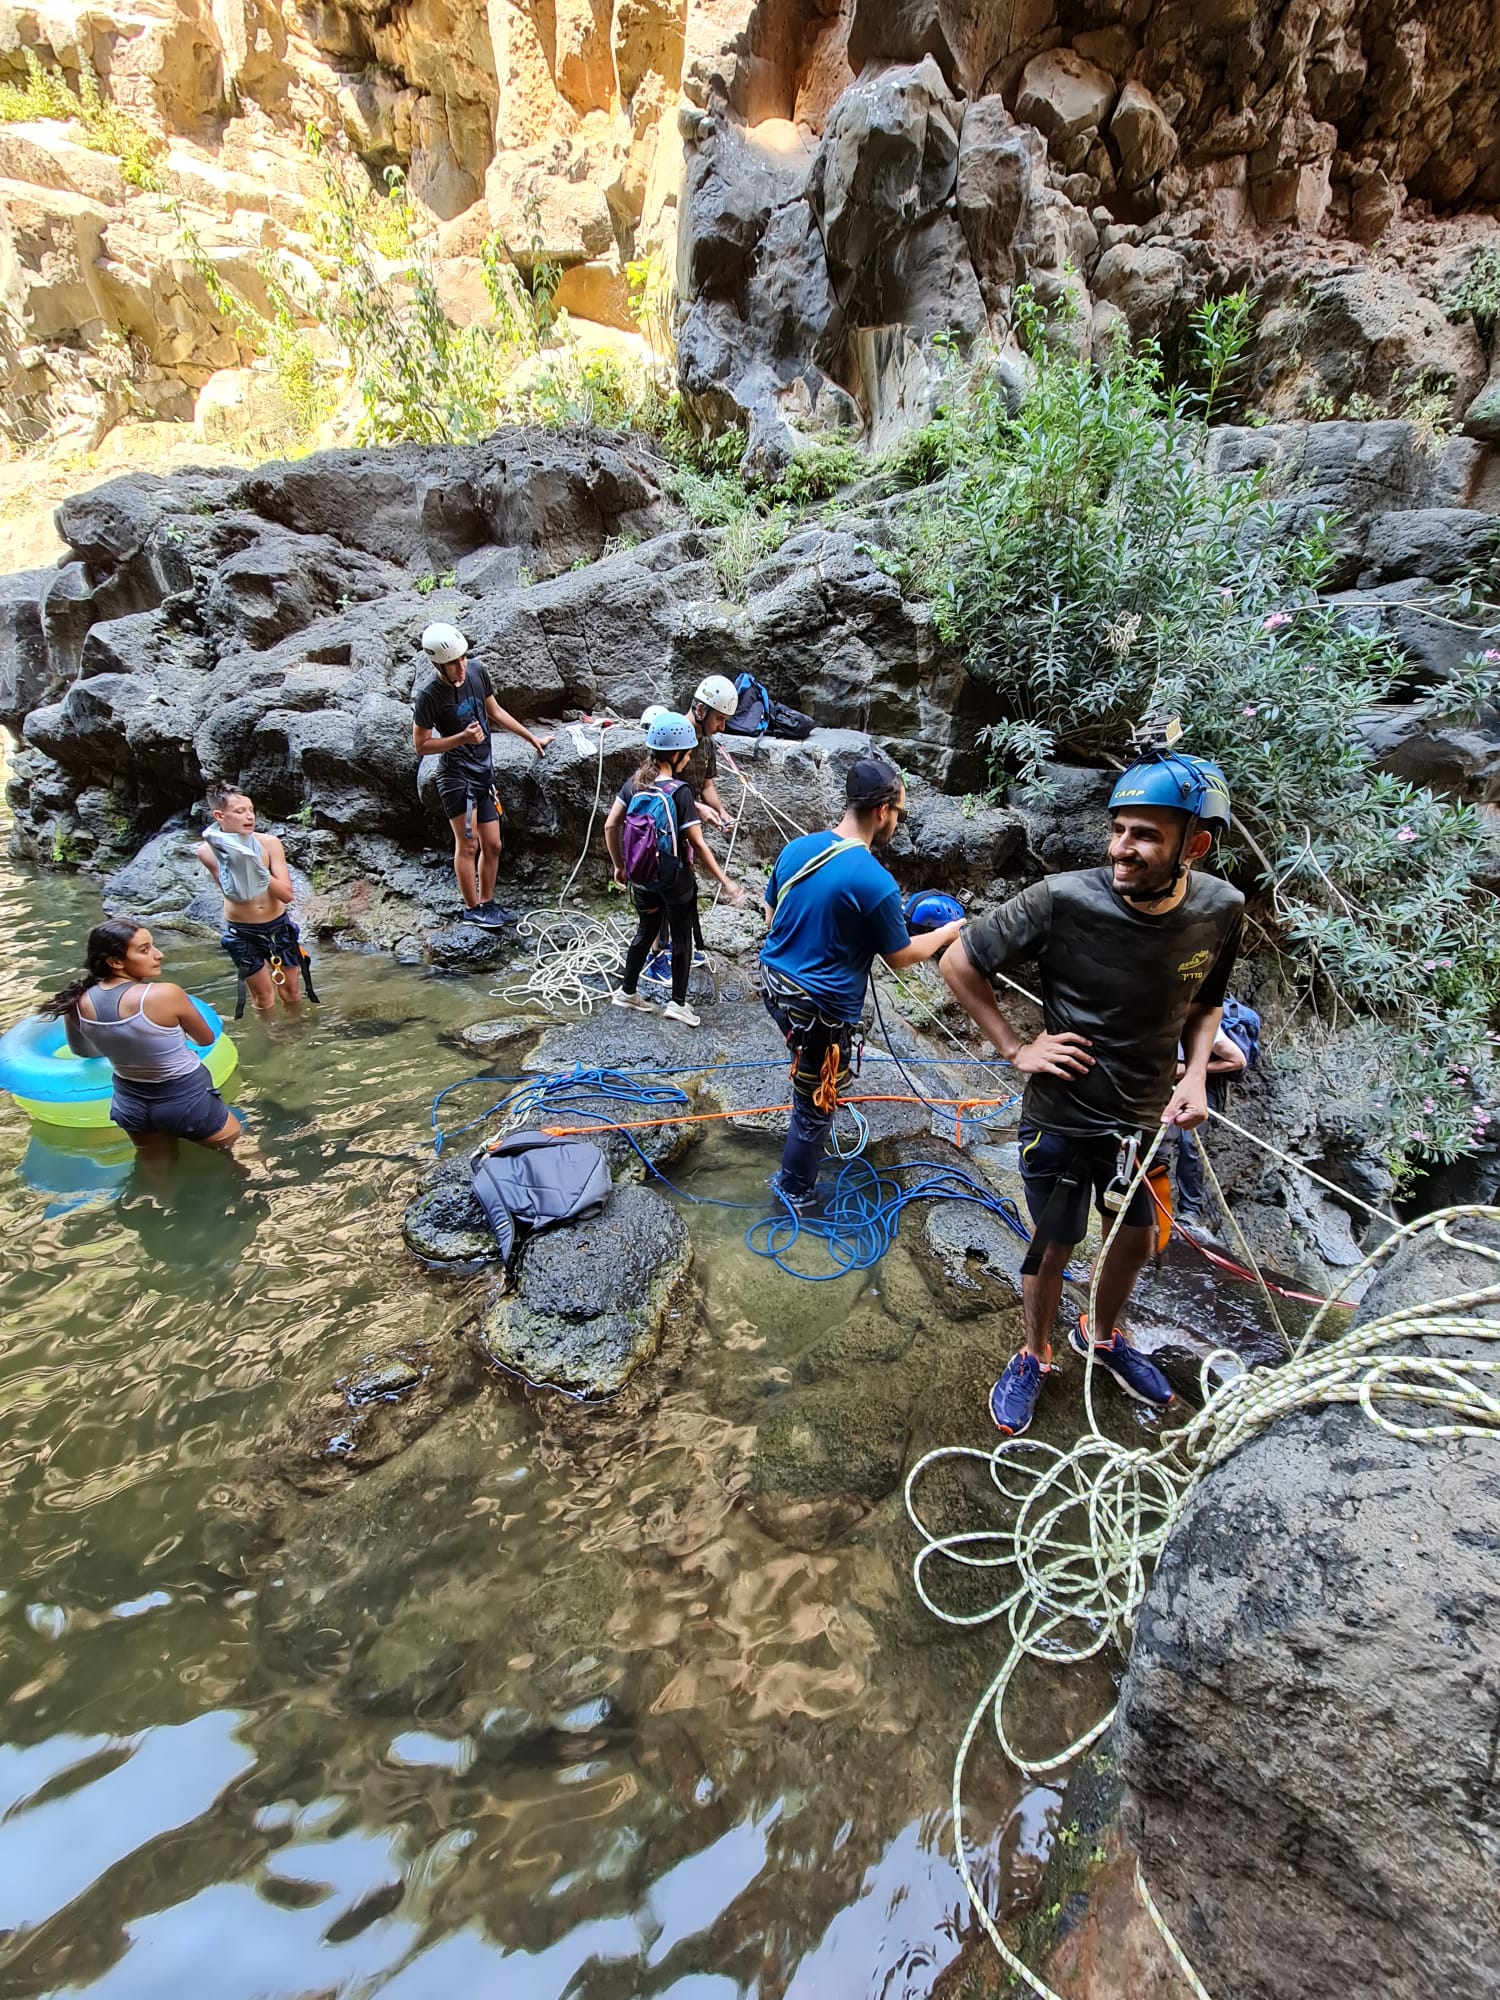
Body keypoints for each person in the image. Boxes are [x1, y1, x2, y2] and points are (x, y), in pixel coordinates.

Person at [941, 751, 1244, 1435]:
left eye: (1144, 835)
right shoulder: (1063, 898)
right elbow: (958, 961)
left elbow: (1205, 1005)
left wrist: (1195, 1074)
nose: (1121, 849)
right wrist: (1017, 1048)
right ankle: (1034, 1353)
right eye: (1118, 829)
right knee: (1053, 1244)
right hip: (1064, 1111)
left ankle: (1101, 1336)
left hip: (1142, 1116)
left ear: (1193, 846)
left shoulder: (1221, 909)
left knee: (1135, 1238)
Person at [759, 758, 963, 1213]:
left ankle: (802, 1126)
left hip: (775, 986)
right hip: (817, 1009)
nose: (897, 823)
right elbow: (901, 957)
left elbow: (771, 913)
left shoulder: (798, 848)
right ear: (883, 810)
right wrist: (947, 934)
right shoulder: (876, 881)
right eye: (900, 814)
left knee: (812, 1077)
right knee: (814, 1106)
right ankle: (793, 1197)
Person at [40, 918, 241, 1158]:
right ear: (115, 962)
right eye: (144, 950)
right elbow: (206, 1039)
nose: (159, 955)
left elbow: (85, 1051)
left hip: (131, 1104)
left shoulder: (76, 1002)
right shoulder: (164, 994)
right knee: (246, 1155)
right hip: (185, 1099)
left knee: (156, 1170)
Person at [611, 711, 747, 1026]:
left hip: (641, 876)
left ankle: (627, 991)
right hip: (675, 877)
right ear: (674, 754)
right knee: (681, 936)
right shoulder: (680, 792)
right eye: (686, 753)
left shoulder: (634, 783)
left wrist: (620, 867)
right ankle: (678, 1003)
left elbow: (610, 824)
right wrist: (726, 882)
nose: (688, 759)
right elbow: (697, 845)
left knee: (644, 931)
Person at [411, 621, 552, 927]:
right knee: (469, 843)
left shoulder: (476, 671)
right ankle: (473, 909)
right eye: (452, 664)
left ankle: (487, 902)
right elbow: (421, 745)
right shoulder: (430, 697)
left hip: (482, 774)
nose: (460, 668)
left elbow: (495, 711)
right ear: (438, 664)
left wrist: (532, 738)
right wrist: (460, 738)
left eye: (462, 659)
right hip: (455, 777)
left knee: (494, 844)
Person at [194, 787, 317, 1020]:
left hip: (277, 926)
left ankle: (298, 1034)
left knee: (290, 991)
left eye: (251, 810)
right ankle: (272, 1039)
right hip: (242, 931)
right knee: (263, 997)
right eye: (240, 811)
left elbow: (287, 895)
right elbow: (232, 892)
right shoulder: (207, 852)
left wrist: (257, 868)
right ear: (219, 816)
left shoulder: (269, 844)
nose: (249, 816)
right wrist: (238, 859)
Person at [1173, 1002, 1254, 1229]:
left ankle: (1189, 1211)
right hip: (1172, 1077)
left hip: (1204, 1082)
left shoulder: (1198, 1021)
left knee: (1190, 1142)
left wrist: (1190, 1072)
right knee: (1161, 1139)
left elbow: (1237, 1060)